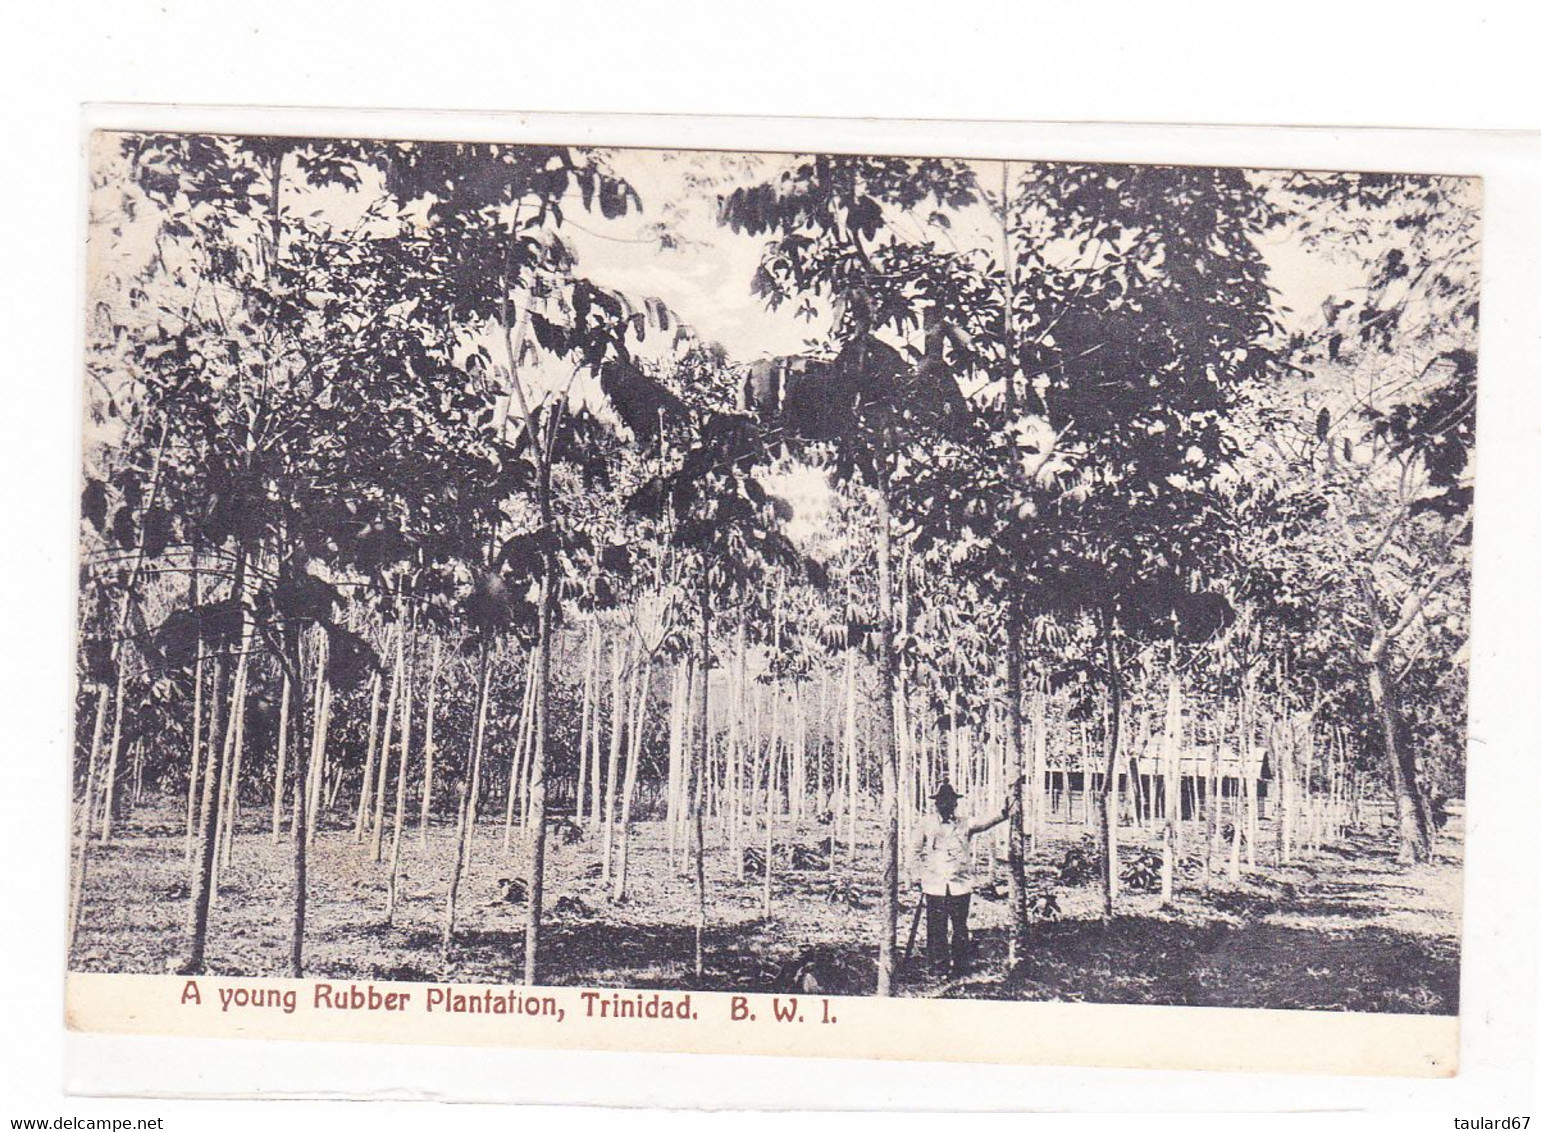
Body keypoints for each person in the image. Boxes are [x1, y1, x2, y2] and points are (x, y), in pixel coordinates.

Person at [910, 779, 1016, 975]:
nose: (945, 805)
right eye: (941, 801)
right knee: (936, 929)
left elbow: (985, 822)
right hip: (934, 886)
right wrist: (915, 875)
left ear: (955, 804)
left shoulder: (965, 824)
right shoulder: (926, 824)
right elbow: (913, 850)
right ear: (936, 804)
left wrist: (1004, 811)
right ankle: (938, 967)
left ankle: (960, 966)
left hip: (960, 886)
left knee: (960, 928)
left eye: (949, 801)